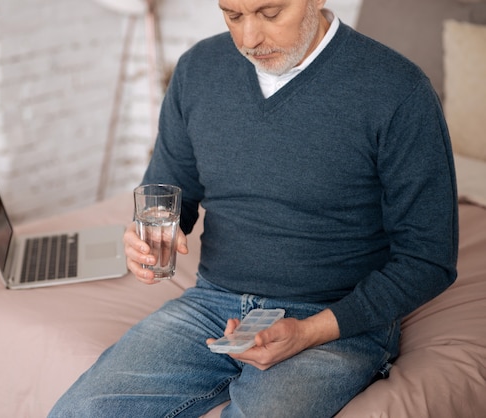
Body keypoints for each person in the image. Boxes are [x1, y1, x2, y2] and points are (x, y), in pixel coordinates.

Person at [49, 0, 458, 416]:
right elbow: (170, 191)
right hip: (211, 305)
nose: (249, 39)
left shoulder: (398, 90)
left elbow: (428, 259)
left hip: (335, 319)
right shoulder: (197, 70)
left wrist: (308, 332)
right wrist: (149, 236)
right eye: (233, 15)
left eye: (270, 13)